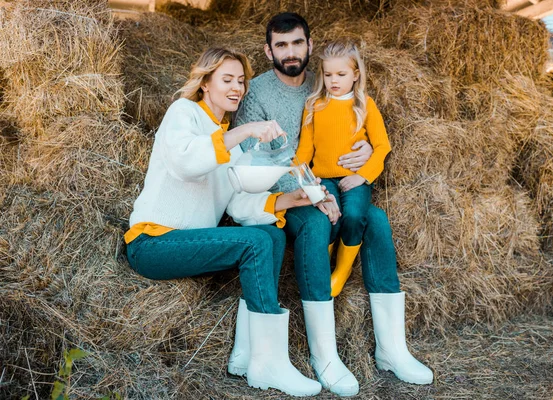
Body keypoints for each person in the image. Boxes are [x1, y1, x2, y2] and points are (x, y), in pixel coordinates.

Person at [232, 13, 434, 396]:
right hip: (288, 198)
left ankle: (393, 349)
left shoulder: (327, 80)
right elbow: (251, 161)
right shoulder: (257, 93)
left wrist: (367, 152)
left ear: (309, 45)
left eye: (297, 43)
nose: (290, 52)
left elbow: (358, 130)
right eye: (281, 45)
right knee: (314, 224)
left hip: (335, 187)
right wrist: (312, 193)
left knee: (376, 220)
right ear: (268, 50)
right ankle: (325, 355)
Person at [124, 47, 322, 397]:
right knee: (257, 242)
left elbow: (239, 203)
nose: (237, 88)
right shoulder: (183, 113)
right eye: (227, 80)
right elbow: (187, 162)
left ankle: (248, 354)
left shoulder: (229, 137)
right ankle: (271, 363)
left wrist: (290, 200)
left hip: (193, 244)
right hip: (152, 243)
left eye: (241, 81)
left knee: (269, 234)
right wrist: (244, 132)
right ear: (205, 84)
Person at [296, 38, 392, 297]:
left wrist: (362, 176)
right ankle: (323, 266)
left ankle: (342, 270)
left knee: (354, 216)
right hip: (323, 178)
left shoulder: (365, 105)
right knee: (330, 218)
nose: (333, 80)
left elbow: (382, 146)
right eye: (328, 74)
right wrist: (305, 183)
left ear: (355, 74)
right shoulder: (314, 106)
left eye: (341, 74)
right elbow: (304, 152)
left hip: (355, 179)